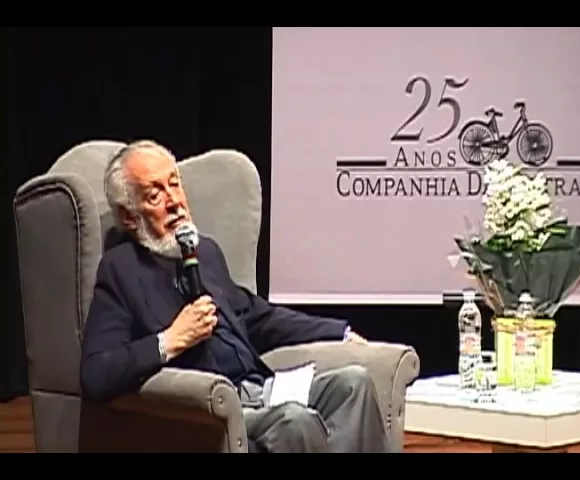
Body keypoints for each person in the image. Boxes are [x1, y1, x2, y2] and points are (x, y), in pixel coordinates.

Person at [79, 139, 391, 453]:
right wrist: (170, 340)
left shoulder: (205, 253)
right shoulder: (121, 270)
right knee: (296, 421)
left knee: (355, 384)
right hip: (215, 410)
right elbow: (97, 372)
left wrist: (339, 332)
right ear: (129, 216)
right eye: (155, 195)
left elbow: (257, 316)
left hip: (260, 389)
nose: (174, 201)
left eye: (175, 184)